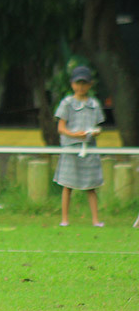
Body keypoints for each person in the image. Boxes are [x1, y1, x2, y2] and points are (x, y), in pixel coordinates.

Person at [54, 66, 105, 227]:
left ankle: (96, 220)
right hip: (71, 148)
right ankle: (64, 220)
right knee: (67, 185)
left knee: (91, 186)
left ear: (90, 85)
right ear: (72, 84)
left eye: (84, 83)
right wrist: (75, 135)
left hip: (89, 148)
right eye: (78, 83)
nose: (81, 87)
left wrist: (94, 132)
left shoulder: (94, 103)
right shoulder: (67, 103)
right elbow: (61, 128)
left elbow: (98, 126)